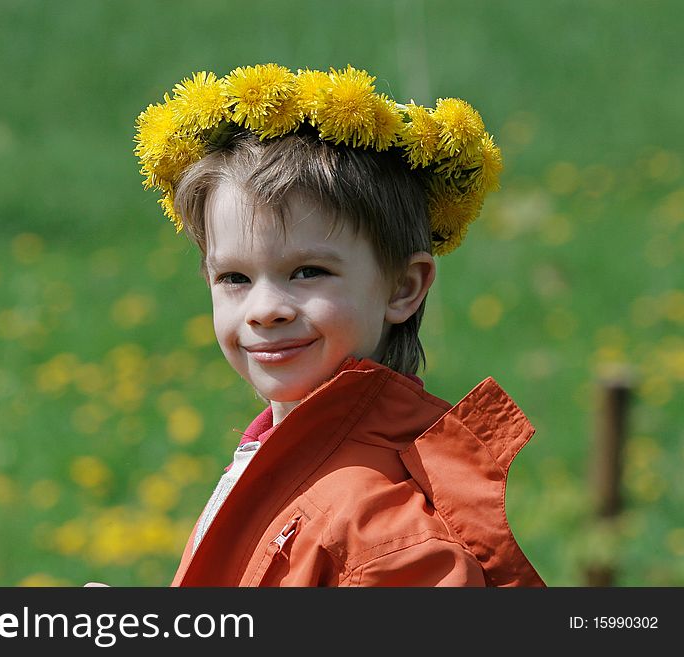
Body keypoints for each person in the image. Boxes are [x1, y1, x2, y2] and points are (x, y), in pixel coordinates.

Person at [131, 63, 545, 586]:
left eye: (308, 272)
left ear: (403, 287)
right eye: (234, 277)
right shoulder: (282, 458)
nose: (265, 308)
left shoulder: (380, 533)